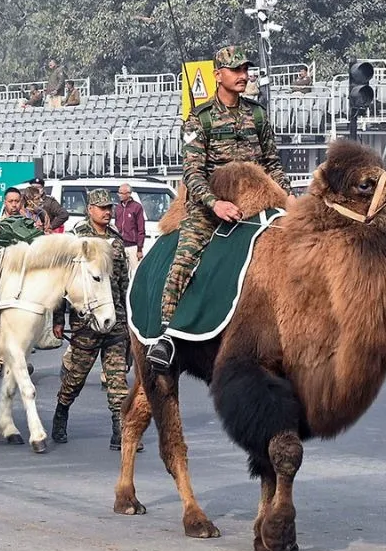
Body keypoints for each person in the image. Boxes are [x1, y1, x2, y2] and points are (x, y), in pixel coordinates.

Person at [147, 46, 291, 372]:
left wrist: (288, 196)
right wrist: (216, 203)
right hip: (211, 206)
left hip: (258, 203)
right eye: (236, 70)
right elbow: (192, 173)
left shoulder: (258, 114)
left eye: (245, 69)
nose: (243, 75)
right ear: (217, 75)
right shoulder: (199, 119)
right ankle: (167, 337)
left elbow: (272, 164)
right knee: (184, 259)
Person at [50, 189, 141, 452]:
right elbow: (63, 283)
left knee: (117, 380)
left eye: (109, 207)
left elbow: (123, 283)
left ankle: (120, 432)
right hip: (86, 321)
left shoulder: (116, 241)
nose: (107, 212)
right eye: (101, 208)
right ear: (90, 209)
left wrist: (129, 318)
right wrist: (58, 318)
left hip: (115, 320)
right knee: (76, 378)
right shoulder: (77, 240)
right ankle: (61, 412)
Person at [113, 184, 146, 275]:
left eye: (121, 193)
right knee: (120, 272)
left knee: (135, 271)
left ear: (128, 194)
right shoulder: (118, 208)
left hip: (133, 245)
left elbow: (141, 228)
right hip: (120, 245)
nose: (119, 195)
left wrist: (139, 249)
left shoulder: (137, 207)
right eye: (119, 193)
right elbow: (116, 226)